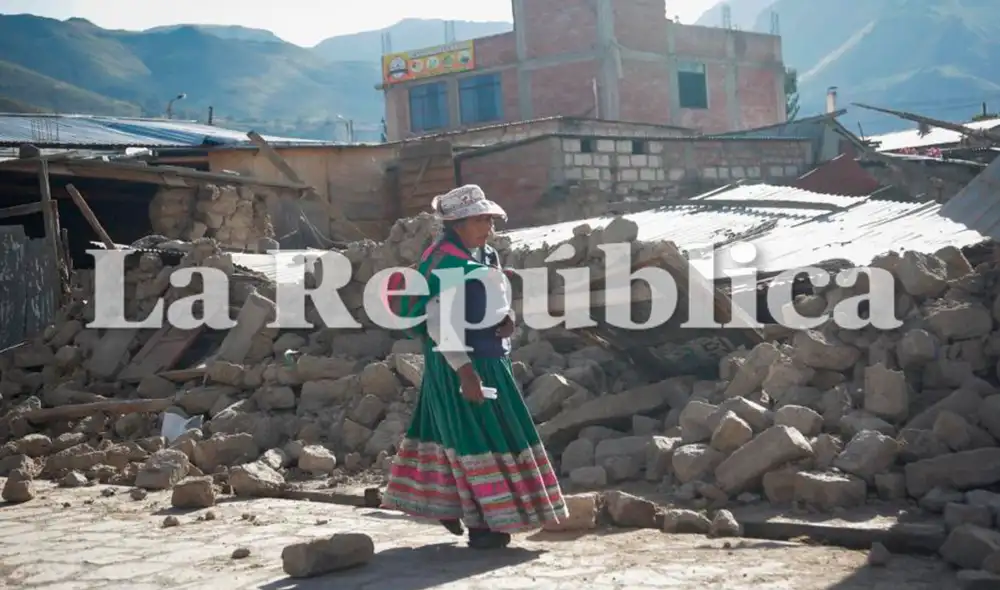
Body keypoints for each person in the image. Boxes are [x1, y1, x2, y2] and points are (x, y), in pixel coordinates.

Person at [381, 184, 568, 549]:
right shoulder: (445, 264)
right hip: (459, 363)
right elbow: (439, 324)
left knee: (454, 432)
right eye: (480, 220)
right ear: (457, 224)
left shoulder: (484, 255)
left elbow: (495, 300)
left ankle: (449, 506)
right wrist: (465, 373)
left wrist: (508, 318)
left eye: (490, 219)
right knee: (474, 436)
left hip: (490, 358)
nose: (489, 227)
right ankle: (484, 523)